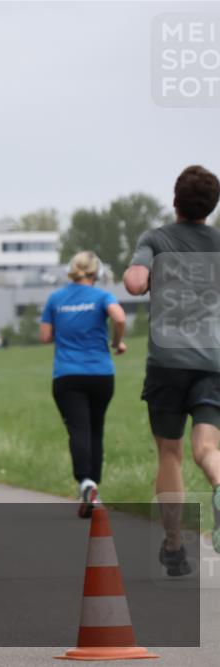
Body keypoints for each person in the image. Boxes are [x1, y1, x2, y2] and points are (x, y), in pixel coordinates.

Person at [123, 164, 220, 567]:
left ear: (175, 201)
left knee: (170, 453)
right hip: (214, 360)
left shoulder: (156, 238)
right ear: (211, 206)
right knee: (207, 447)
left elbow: (134, 283)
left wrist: (146, 275)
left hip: (167, 361)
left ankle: (175, 546)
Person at [40, 251, 127, 518]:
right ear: (97, 273)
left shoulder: (56, 299)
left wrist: (62, 329)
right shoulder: (102, 297)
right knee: (96, 429)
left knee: (78, 429)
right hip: (101, 374)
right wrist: (117, 341)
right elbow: (120, 317)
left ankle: (85, 483)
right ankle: (93, 487)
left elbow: (45, 337)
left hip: (67, 375)